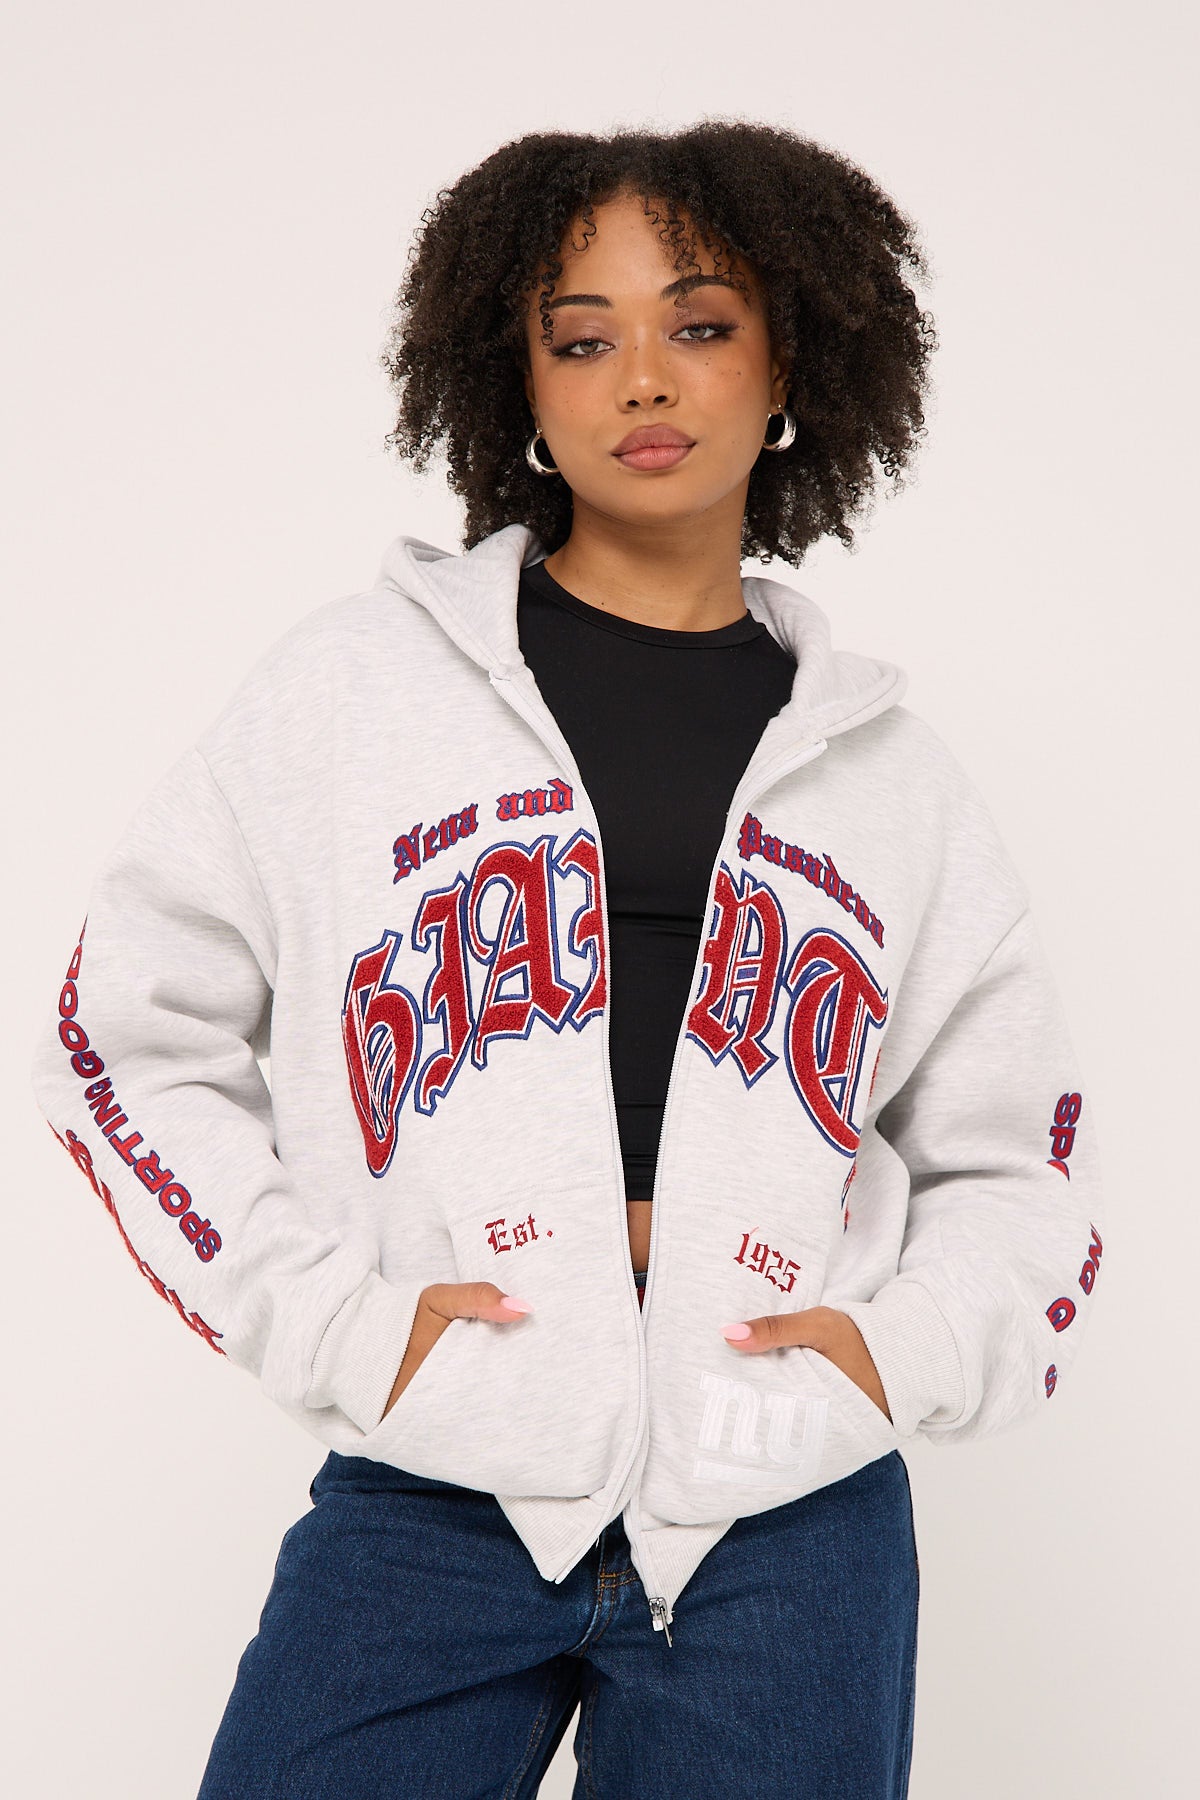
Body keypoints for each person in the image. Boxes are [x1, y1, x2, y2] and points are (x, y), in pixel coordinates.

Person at [30, 121, 1104, 1798]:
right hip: (440, 1476)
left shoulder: (893, 780)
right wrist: (342, 1331)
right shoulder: (355, 692)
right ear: (517, 384)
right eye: (582, 339)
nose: (643, 380)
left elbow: (1015, 1161)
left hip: (783, 1504)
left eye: (700, 324)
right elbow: (123, 1034)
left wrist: (898, 1356)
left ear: (792, 363)